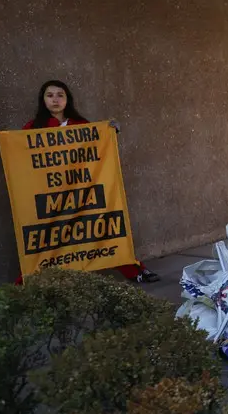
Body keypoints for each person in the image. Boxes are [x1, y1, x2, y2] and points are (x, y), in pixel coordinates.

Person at [13, 80, 159, 284]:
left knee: (102, 228)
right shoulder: (33, 127)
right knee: (47, 239)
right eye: (50, 95)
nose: (55, 99)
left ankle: (135, 270)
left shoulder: (80, 125)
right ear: (43, 100)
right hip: (52, 194)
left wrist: (110, 131)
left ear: (67, 99)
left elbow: (97, 146)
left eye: (60, 95)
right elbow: (18, 149)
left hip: (81, 191)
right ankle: (26, 281)